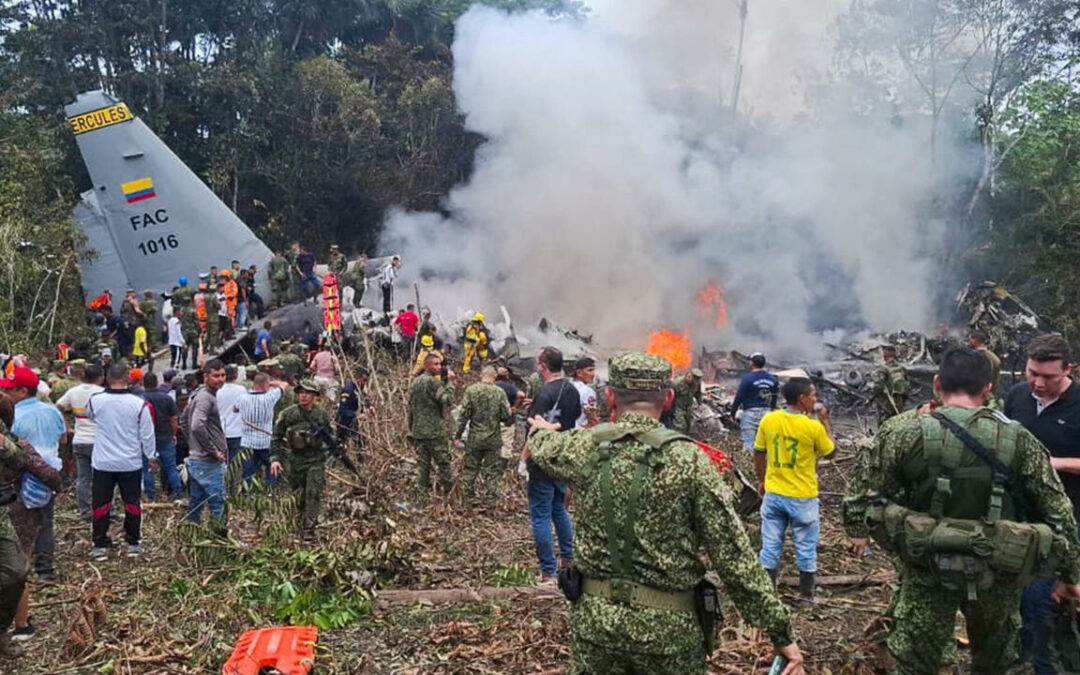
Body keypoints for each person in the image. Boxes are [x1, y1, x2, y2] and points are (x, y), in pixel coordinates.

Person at [528, 352, 803, 674]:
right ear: (669, 398)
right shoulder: (691, 461)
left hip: (596, 630)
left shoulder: (582, 447)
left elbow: (545, 446)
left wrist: (540, 430)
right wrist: (780, 631)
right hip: (670, 635)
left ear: (611, 397)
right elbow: (734, 558)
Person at [843, 346, 1080, 674]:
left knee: (916, 661)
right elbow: (1058, 511)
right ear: (988, 389)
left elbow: (863, 491)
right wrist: (1069, 575)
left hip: (926, 566)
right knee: (997, 661)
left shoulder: (901, 432)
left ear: (937, 383)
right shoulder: (1019, 439)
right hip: (997, 570)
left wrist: (859, 531)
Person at [1002, 335, 1080, 672]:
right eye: (1032, 373)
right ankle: (1021, 656)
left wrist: (1054, 464)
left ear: (1068, 370)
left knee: (1039, 596)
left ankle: (1045, 666)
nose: (1037, 382)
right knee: (1014, 593)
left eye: (1048, 377)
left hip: (1068, 517)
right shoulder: (1018, 396)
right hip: (1019, 514)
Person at [753, 377, 835, 603]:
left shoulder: (769, 420)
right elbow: (830, 453)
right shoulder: (813, 427)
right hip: (803, 497)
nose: (815, 399)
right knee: (806, 548)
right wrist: (825, 422)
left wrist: (761, 481)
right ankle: (807, 597)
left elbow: (759, 453)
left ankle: (767, 596)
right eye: (813, 395)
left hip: (774, 494)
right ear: (802, 399)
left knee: (769, 546)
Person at [0, 400, 62, 657]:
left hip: (7, 511)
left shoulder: (10, 442)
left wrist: (4, 447)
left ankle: (3, 630)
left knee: (17, 570)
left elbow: (22, 459)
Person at [521, 347, 580, 582]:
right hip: (562, 459)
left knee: (541, 515)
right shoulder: (572, 390)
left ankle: (547, 571)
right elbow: (573, 420)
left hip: (542, 461)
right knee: (559, 509)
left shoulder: (544, 393)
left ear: (543, 366)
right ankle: (569, 558)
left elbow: (533, 430)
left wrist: (523, 459)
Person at [86, 365, 156, 559]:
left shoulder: (95, 401)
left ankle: (100, 544)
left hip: (103, 462)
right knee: (132, 503)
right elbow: (147, 434)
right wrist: (151, 456)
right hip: (130, 462)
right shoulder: (139, 404)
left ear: (106, 378)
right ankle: (133, 542)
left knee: (101, 504)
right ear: (128, 378)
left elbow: (90, 417)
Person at [2, 368, 65, 582]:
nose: (5, 392)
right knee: (45, 521)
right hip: (48, 475)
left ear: (22, 391)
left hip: (21, 477)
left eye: (8, 389)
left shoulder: (13, 415)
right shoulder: (52, 411)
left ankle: (21, 572)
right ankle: (45, 570)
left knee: (20, 525)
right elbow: (63, 439)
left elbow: (14, 449)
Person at [270, 380, 332, 541]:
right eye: (301, 392)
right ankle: (297, 522)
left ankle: (309, 529)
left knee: (313, 492)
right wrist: (275, 459)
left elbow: (330, 436)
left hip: (316, 459)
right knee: (298, 494)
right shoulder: (288, 414)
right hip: (295, 460)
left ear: (314, 396)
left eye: (308, 393)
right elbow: (276, 437)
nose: (303, 396)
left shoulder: (321, 415)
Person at [181, 359, 228, 530]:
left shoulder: (198, 395)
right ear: (206, 376)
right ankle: (222, 537)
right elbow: (195, 425)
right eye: (216, 376)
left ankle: (191, 530)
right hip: (208, 461)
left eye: (223, 375)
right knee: (218, 501)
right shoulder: (205, 398)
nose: (220, 379)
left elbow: (184, 421)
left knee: (197, 498)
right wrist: (212, 450)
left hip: (197, 458)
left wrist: (194, 446)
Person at [55, 364, 105, 520]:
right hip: (99, 441)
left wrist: (67, 426)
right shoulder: (102, 393)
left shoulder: (73, 392)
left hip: (80, 440)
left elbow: (58, 407)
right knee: (102, 477)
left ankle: (85, 510)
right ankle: (102, 509)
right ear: (100, 378)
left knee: (83, 478)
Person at [455, 366, 512, 501]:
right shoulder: (499, 392)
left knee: (471, 468)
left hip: (475, 437)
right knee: (492, 470)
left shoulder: (471, 390)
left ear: (481, 375)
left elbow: (463, 415)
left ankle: (469, 495)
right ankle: (491, 497)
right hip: (493, 438)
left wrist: (457, 435)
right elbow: (506, 415)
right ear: (495, 377)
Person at [407, 353, 456, 496]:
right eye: (435, 364)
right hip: (434, 431)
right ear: (426, 365)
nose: (439, 367)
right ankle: (448, 492)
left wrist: (410, 428)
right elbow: (447, 400)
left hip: (418, 431)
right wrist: (451, 383)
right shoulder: (432, 382)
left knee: (423, 465)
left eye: (440, 364)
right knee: (443, 462)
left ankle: (421, 493)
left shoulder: (415, 382)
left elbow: (410, 408)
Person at [237, 373, 286, 487]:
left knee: (248, 473)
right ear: (266, 385)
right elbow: (284, 385)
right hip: (266, 441)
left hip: (247, 443)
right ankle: (271, 491)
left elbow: (235, 409)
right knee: (271, 468)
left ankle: (247, 495)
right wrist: (272, 383)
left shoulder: (242, 398)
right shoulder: (270, 397)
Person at [141, 373, 182, 502]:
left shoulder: (139, 399)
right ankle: (177, 494)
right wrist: (173, 434)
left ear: (143, 383)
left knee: (147, 468)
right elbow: (174, 418)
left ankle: (151, 496)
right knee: (170, 467)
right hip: (165, 437)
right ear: (157, 382)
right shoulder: (166, 398)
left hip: (146, 439)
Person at [731, 352, 780, 452]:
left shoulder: (747, 378)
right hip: (766, 414)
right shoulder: (772, 379)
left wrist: (733, 413)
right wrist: (773, 408)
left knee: (749, 443)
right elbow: (775, 395)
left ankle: (748, 465)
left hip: (750, 413)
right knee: (766, 444)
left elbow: (739, 397)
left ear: (752, 363)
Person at [216, 366, 247, 474]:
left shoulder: (217, 391)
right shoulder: (242, 390)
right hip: (237, 432)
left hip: (220, 433)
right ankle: (234, 484)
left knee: (221, 462)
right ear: (235, 375)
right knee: (236, 464)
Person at [870, 345, 910, 423]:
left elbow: (878, 386)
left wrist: (871, 398)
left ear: (885, 356)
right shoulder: (901, 368)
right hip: (900, 399)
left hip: (888, 399)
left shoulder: (883, 369)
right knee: (897, 419)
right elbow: (907, 383)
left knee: (885, 420)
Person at [336, 367, 372, 452]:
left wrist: (370, 406)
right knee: (341, 447)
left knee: (361, 442)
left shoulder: (359, 389)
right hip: (345, 423)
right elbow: (343, 410)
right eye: (364, 380)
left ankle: (360, 462)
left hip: (355, 423)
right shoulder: (349, 390)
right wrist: (357, 415)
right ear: (358, 379)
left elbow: (363, 400)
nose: (365, 383)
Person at [969, 330, 1002, 403]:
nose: (969, 342)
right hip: (991, 395)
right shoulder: (993, 357)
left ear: (974, 341)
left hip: (977, 396)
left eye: (970, 339)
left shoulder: (973, 356)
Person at [670, 368, 704, 434]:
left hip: (688, 407)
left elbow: (698, 393)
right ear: (689, 376)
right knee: (680, 425)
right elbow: (671, 396)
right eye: (693, 380)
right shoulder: (677, 383)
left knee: (689, 425)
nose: (695, 383)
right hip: (678, 407)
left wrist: (700, 403)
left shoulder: (696, 383)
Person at [570, 357, 598, 429]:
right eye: (589, 370)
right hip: (581, 431)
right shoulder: (587, 391)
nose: (593, 374)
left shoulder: (568, 386)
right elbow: (592, 418)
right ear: (579, 373)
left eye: (593, 370)